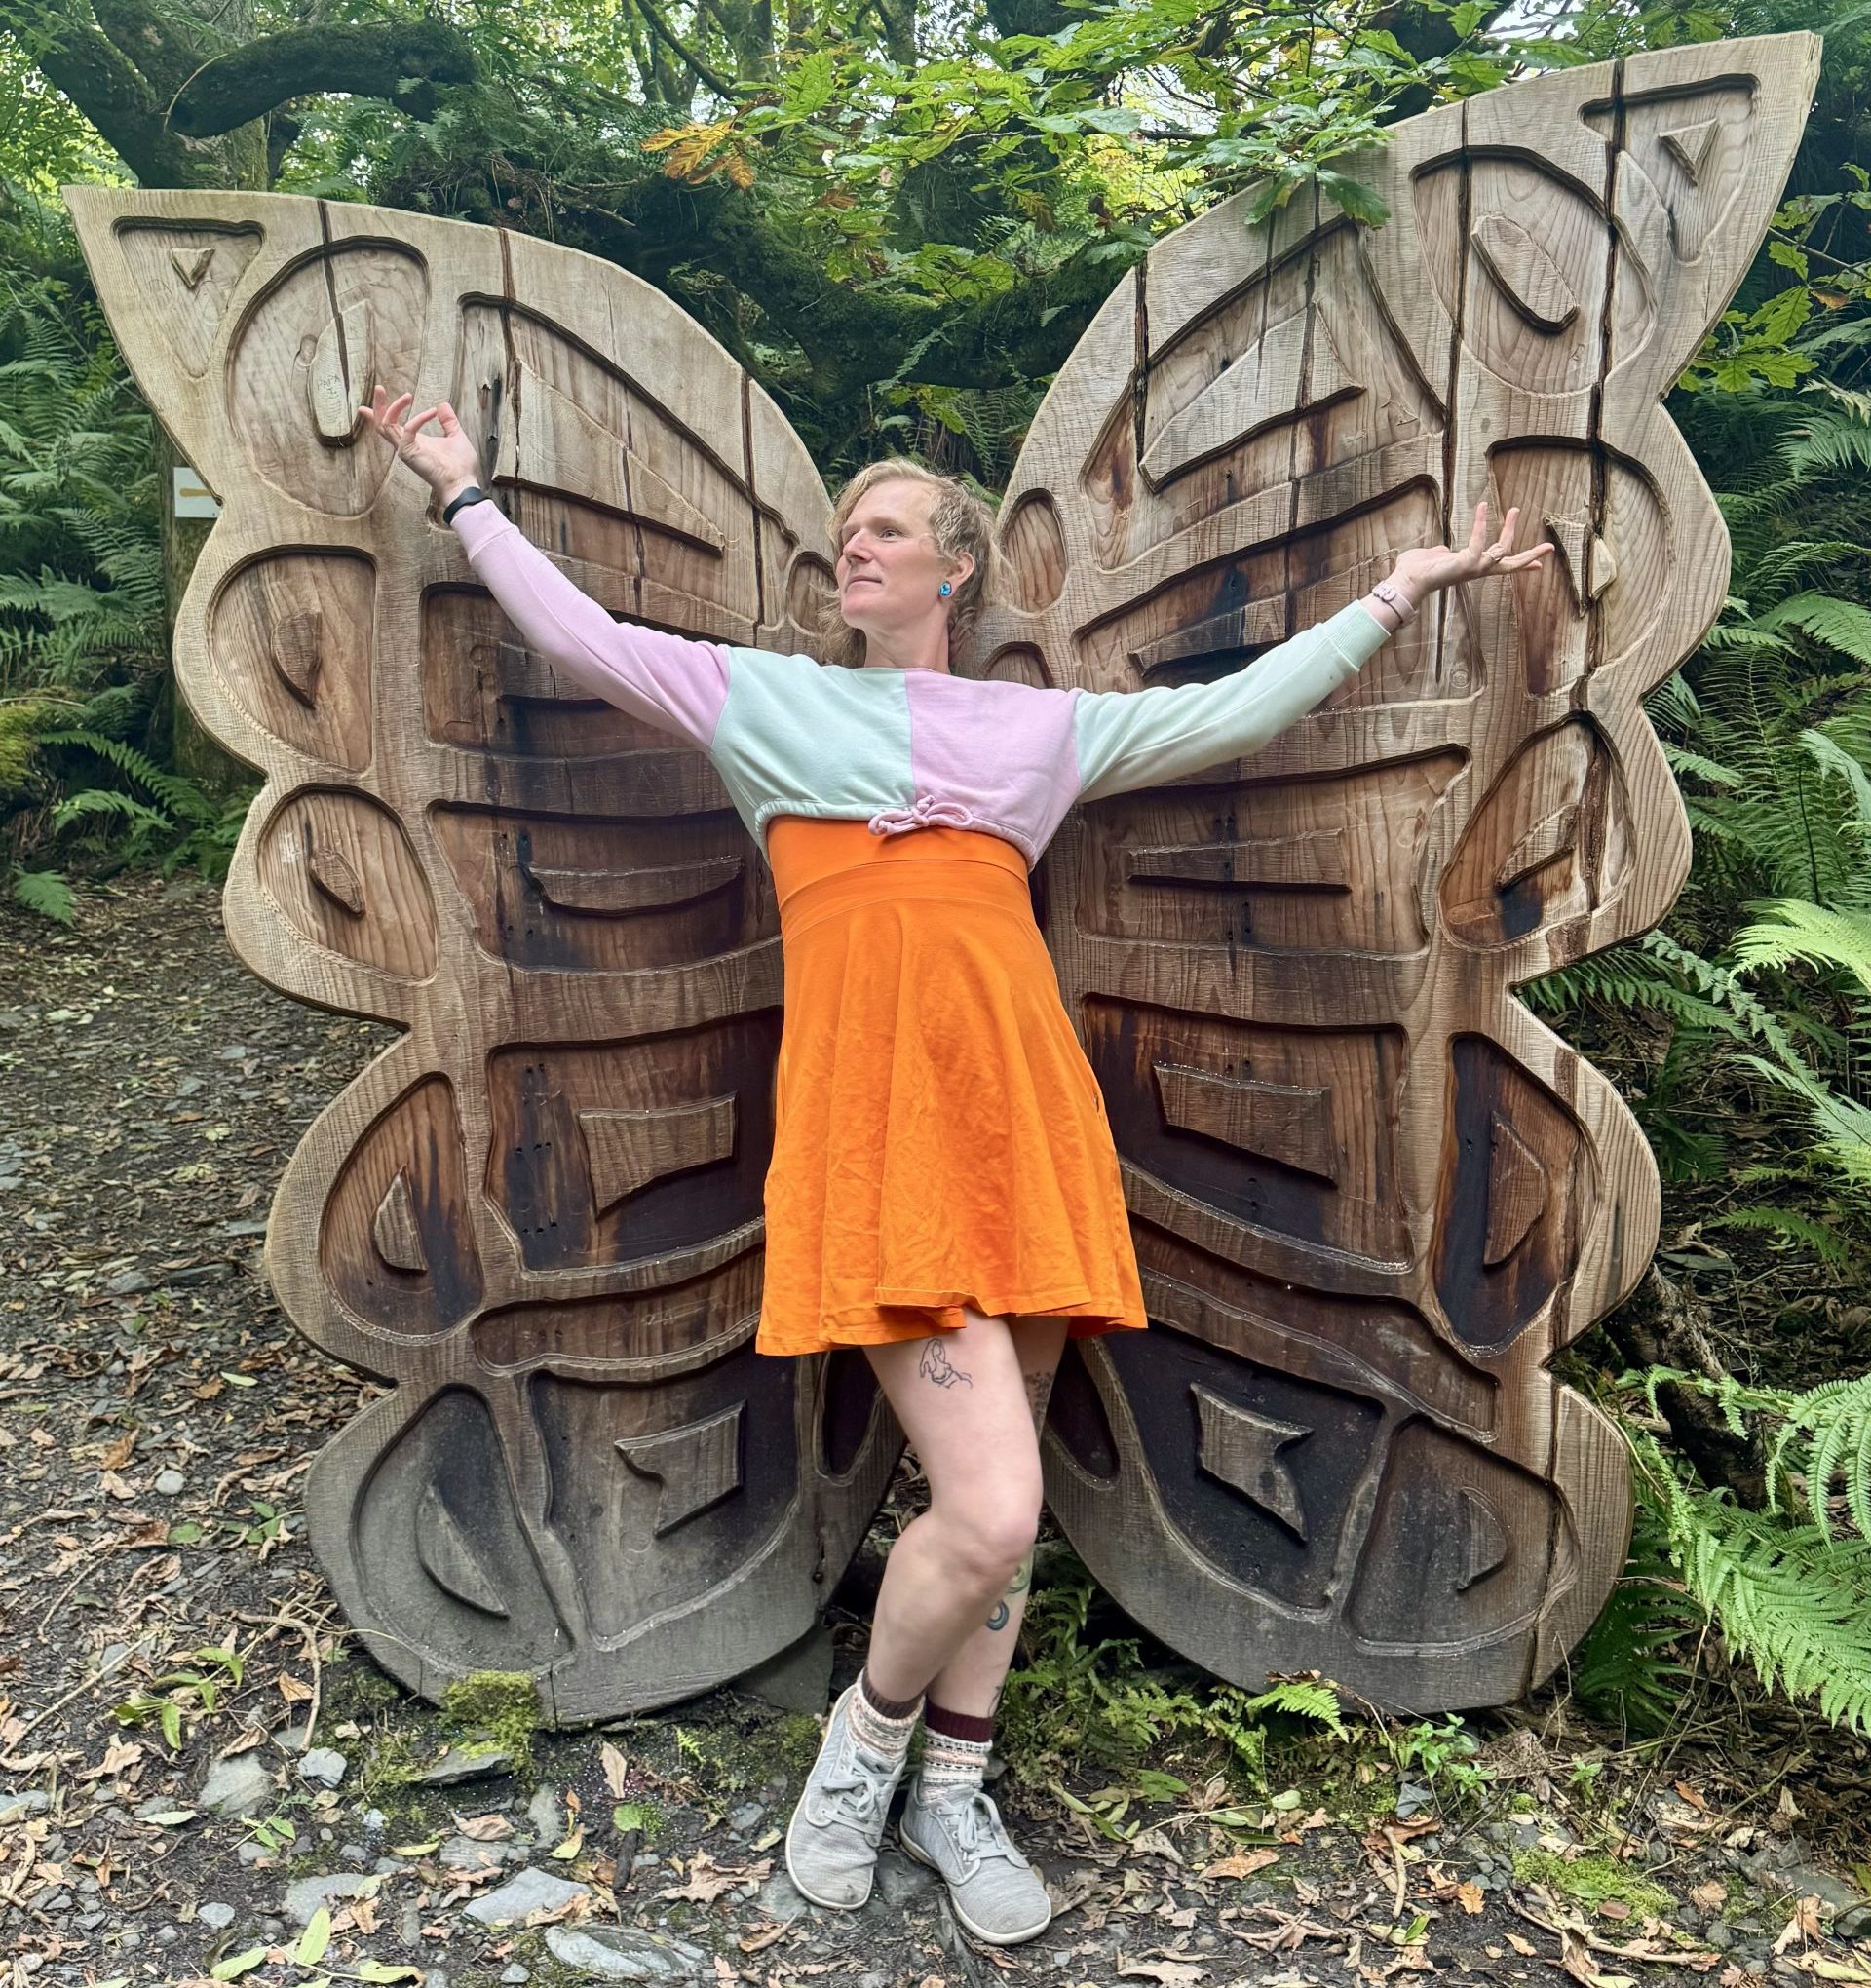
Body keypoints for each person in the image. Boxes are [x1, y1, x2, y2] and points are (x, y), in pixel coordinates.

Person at [361, 387, 1550, 1946]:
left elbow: (1242, 709)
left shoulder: (1036, 733)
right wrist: (465, 495)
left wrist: (1402, 585)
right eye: (846, 530)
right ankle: (859, 1759)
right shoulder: (762, 701)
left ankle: (955, 1786)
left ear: (957, 569)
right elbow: (581, 637)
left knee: (1004, 1491)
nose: (854, 545)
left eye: (889, 527)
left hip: (1027, 1127)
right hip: (875, 1134)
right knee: (989, 1507)